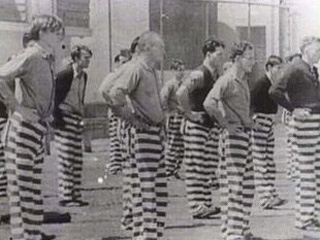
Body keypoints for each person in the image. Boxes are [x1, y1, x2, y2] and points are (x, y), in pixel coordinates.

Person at [0, 14, 64, 240]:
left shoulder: (44, 58)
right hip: (23, 130)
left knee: (30, 193)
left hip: (35, 129)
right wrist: (17, 107)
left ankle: (30, 236)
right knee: (23, 194)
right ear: (44, 32)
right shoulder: (31, 55)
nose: (59, 37)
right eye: (56, 33)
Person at [110, 31, 167, 240]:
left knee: (157, 189)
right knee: (146, 189)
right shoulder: (136, 69)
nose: (163, 51)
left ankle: (152, 233)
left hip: (155, 134)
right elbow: (113, 93)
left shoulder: (150, 70)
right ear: (147, 48)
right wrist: (132, 119)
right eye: (160, 46)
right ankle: (145, 235)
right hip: (144, 136)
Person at [204, 41, 255, 240]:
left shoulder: (243, 80)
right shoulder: (227, 80)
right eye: (249, 58)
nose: (253, 61)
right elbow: (209, 103)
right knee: (234, 185)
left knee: (248, 185)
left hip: (244, 135)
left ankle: (240, 227)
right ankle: (233, 231)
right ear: (237, 59)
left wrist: (250, 123)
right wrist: (225, 123)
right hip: (233, 138)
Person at [269, 36, 320, 232]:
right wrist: (293, 109)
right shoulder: (295, 67)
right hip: (305, 123)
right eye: (317, 48)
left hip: (315, 122)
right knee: (307, 172)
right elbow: (275, 91)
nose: (319, 53)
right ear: (306, 48)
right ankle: (304, 218)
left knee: (315, 172)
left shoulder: (311, 69)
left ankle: (311, 214)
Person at [176, 38, 224, 219]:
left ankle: (205, 203)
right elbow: (180, 93)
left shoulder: (214, 74)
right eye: (218, 54)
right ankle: (196, 205)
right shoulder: (199, 74)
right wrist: (190, 114)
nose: (221, 57)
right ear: (208, 54)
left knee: (207, 167)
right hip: (197, 126)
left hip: (209, 127)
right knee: (196, 166)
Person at [53, 44, 92, 207]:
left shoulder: (84, 76)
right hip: (64, 117)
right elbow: (54, 98)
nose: (88, 60)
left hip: (76, 118)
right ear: (76, 58)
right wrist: (58, 121)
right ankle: (66, 196)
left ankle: (75, 195)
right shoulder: (65, 75)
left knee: (77, 159)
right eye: (85, 57)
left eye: (89, 57)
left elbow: (80, 99)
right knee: (66, 158)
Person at [250, 55, 287, 209]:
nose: (280, 71)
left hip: (269, 123)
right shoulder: (261, 84)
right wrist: (253, 120)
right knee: (260, 161)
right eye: (278, 68)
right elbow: (250, 103)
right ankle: (264, 197)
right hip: (260, 122)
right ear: (269, 68)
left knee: (269, 161)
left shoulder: (273, 84)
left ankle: (270, 193)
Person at [107, 49, 131, 175]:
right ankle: (115, 165)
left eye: (126, 62)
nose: (124, 64)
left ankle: (121, 164)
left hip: (123, 111)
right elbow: (106, 91)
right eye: (122, 62)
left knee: (122, 138)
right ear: (117, 63)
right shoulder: (114, 76)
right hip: (115, 111)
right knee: (114, 139)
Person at [161, 59, 185, 179]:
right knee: (172, 144)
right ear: (173, 71)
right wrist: (167, 113)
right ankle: (168, 169)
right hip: (173, 117)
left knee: (182, 145)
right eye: (179, 70)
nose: (182, 72)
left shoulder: (184, 84)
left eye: (183, 70)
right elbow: (163, 99)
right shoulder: (170, 84)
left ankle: (176, 168)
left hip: (183, 118)